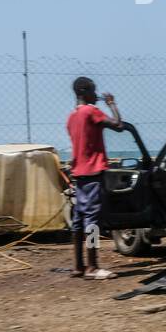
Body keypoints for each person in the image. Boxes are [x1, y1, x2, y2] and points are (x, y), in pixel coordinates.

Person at [66, 77, 123, 280]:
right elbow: (118, 124)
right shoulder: (91, 111)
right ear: (86, 91)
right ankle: (92, 267)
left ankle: (78, 266)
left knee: (78, 220)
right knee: (92, 221)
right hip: (93, 172)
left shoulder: (71, 116)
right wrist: (112, 104)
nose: (96, 96)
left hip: (78, 173)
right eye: (94, 91)